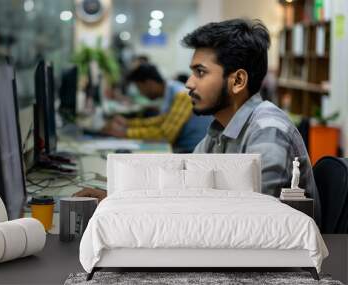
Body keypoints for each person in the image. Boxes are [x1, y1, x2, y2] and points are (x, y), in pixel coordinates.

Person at [74, 19, 320, 224]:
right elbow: (183, 184)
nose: (189, 83)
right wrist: (118, 198)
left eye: (200, 73)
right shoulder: (219, 130)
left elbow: (255, 221)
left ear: (237, 81)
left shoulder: (268, 131)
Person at [102, 63, 212, 153]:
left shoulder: (181, 95)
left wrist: (126, 133)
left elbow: (166, 134)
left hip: (191, 152)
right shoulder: (170, 92)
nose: (140, 93)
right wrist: (128, 124)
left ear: (149, 83)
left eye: (139, 88)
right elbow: (162, 121)